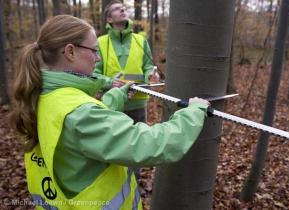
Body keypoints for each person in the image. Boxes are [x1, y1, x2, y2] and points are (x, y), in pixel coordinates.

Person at [10, 15, 210, 210]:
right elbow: (150, 144)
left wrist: (116, 96)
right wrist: (193, 112)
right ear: (70, 52)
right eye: (93, 51)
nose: (97, 58)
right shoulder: (80, 114)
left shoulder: (43, 95)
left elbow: (86, 130)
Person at [95, 0, 159, 182]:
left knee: (136, 146)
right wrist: (110, 82)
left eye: (123, 8)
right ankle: (114, 183)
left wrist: (150, 76)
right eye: (116, 9)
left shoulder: (141, 41)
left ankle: (134, 184)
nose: (122, 9)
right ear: (109, 18)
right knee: (113, 145)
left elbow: (148, 67)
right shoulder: (101, 43)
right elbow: (94, 73)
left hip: (138, 102)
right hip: (111, 104)